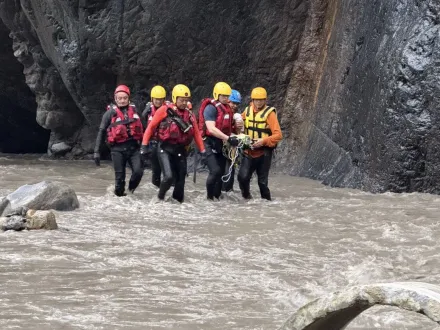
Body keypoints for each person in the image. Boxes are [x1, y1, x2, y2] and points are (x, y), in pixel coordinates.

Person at [141, 84, 205, 203]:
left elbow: (196, 133)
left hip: (180, 149)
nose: (184, 103)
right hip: (164, 148)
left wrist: (203, 150)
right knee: (168, 177)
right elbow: (150, 128)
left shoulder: (189, 115)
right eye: (182, 100)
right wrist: (144, 145)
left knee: (181, 180)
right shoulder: (164, 110)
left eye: (186, 100)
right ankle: (159, 198)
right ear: (175, 98)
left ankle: (177, 205)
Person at [94, 85, 146, 196]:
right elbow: (101, 131)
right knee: (120, 179)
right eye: (120, 98)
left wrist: (145, 146)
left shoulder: (135, 110)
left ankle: (130, 191)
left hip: (133, 148)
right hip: (117, 149)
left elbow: (144, 128)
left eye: (125, 98)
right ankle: (119, 200)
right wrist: (96, 152)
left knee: (138, 172)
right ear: (116, 99)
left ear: (128, 98)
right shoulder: (109, 114)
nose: (122, 101)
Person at [198, 82, 242, 200]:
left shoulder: (227, 109)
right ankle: (209, 198)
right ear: (217, 95)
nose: (225, 98)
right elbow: (211, 129)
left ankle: (216, 198)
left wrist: (236, 129)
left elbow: (228, 128)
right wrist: (228, 138)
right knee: (215, 171)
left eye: (227, 96)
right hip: (208, 142)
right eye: (223, 96)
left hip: (220, 144)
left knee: (221, 172)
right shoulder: (210, 108)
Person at [237, 87, 282, 201]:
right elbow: (237, 126)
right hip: (249, 150)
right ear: (252, 100)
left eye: (261, 100)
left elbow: (278, 135)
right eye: (256, 100)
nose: (258, 102)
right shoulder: (247, 111)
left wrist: (263, 141)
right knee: (242, 177)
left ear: (265, 100)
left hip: (264, 152)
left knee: (262, 183)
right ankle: (247, 199)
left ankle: (267, 204)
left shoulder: (270, 114)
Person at [142, 85, 167, 188]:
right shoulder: (148, 110)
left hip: (165, 143)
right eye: (156, 99)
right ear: (152, 99)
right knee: (156, 170)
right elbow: (143, 122)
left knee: (167, 169)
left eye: (161, 99)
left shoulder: (168, 109)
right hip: (153, 143)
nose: (158, 101)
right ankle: (156, 189)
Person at [222, 89, 243, 192]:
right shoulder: (221, 112)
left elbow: (238, 133)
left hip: (231, 147)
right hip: (221, 145)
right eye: (233, 103)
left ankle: (228, 193)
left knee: (230, 171)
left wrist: (238, 127)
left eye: (237, 103)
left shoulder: (236, 116)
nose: (235, 105)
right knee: (222, 172)